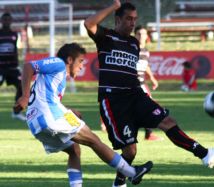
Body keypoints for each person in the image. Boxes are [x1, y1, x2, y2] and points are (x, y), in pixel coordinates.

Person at [84, 1, 214, 187]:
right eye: (128, 19)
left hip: (136, 95)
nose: (132, 23)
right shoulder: (106, 37)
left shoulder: (134, 43)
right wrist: (113, 5)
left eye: (135, 19)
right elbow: (88, 24)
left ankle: (205, 154)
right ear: (118, 19)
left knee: (168, 121)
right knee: (130, 152)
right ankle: (119, 183)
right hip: (114, 101)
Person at [14, 43, 153, 187]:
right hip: (49, 117)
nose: (81, 66)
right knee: (94, 140)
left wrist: (69, 111)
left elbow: (48, 99)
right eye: (80, 61)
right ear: (69, 60)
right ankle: (131, 172)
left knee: (74, 150)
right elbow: (28, 67)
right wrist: (24, 96)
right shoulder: (58, 63)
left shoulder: (57, 78)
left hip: (36, 124)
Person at [134, 25, 163, 141]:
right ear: (135, 35)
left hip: (142, 83)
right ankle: (148, 133)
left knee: (147, 107)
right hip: (133, 84)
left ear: (147, 36)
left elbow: (145, 65)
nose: (141, 37)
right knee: (149, 107)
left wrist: (152, 77)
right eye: (139, 34)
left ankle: (148, 133)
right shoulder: (131, 49)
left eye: (143, 34)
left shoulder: (145, 51)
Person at [0, 12, 26, 121]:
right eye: (4, 20)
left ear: (11, 21)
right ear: (1, 21)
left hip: (12, 67)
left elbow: (15, 50)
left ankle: (16, 112)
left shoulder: (14, 35)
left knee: (22, 86)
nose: (6, 22)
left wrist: (17, 65)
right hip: (0, 67)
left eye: (8, 20)